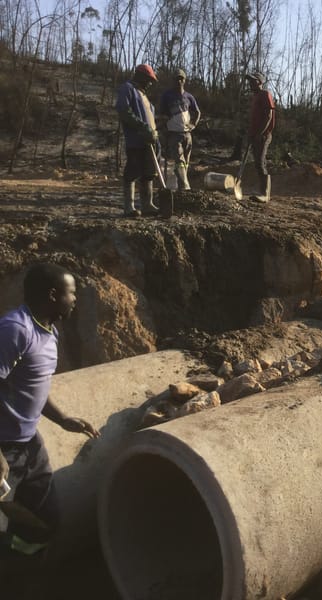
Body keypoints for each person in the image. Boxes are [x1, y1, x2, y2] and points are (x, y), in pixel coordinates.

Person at [0, 263, 100, 556]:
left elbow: (34, 386)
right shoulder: (15, 330)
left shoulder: (49, 331)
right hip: (5, 446)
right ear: (53, 295)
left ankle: (15, 565)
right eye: (72, 293)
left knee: (45, 520)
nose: (75, 300)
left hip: (30, 444)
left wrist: (62, 419)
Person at [115, 64, 160, 217]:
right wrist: (142, 128)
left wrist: (154, 133)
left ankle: (147, 204)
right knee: (132, 171)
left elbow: (150, 118)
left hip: (150, 142)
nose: (150, 83)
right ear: (140, 76)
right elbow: (124, 111)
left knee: (149, 172)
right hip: (136, 140)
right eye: (148, 79)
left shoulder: (144, 96)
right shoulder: (127, 88)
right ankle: (129, 207)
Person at [159, 68, 201, 190]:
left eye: (181, 78)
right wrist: (163, 129)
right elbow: (162, 114)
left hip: (187, 134)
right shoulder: (167, 95)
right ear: (173, 80)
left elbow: (197, 112)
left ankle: (180, 187)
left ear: (185, 80)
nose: (179, 81)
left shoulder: (189, 97)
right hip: (173, 133)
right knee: (179, 161)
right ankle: (185, 187)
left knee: (186, 162)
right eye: (177, 78)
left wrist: (194, 124)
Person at [245, 72, 276, 201]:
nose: (250, 83)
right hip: (255, 135)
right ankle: (262, 191)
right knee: (258, 163)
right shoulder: (255, 96)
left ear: (260, 82)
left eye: (253, 81)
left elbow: (268, 116)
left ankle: (265, 194)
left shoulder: (265, 94)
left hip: (263, 135)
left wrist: (259, 133)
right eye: (250, 81)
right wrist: (251, 134)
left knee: (260, 162)